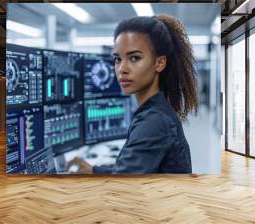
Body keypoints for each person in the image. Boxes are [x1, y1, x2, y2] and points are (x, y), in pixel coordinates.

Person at [68, 15, 198, 174]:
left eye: (134, 58)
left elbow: (121, 188)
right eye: (117, 59)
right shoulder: (155, 110)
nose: (122, 69)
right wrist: (94, 170)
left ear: (159, 63)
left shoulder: (154, 122)